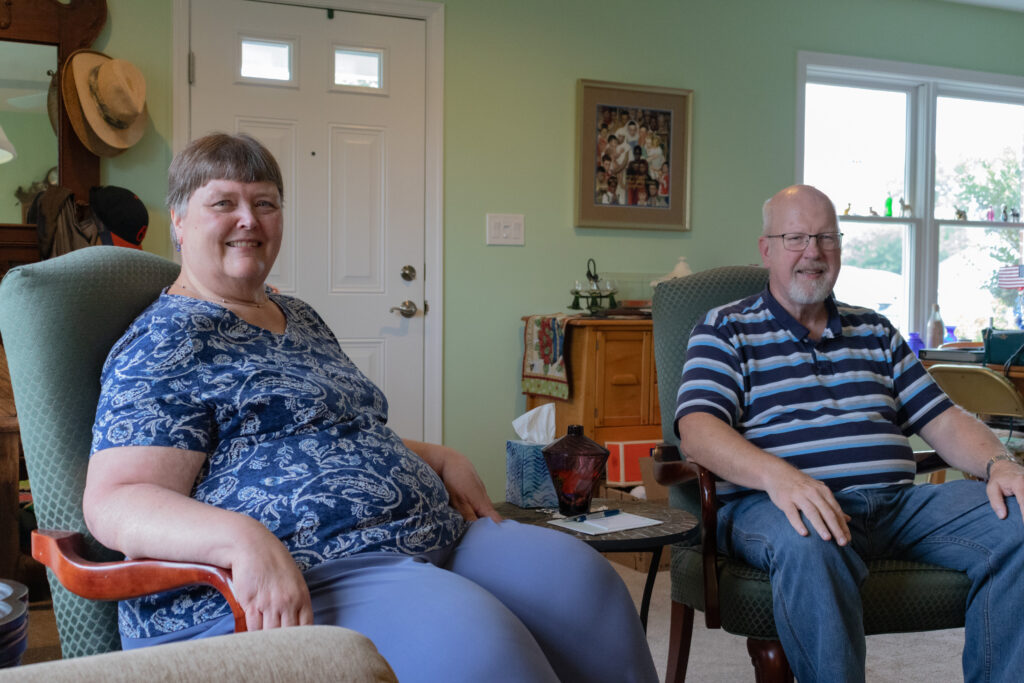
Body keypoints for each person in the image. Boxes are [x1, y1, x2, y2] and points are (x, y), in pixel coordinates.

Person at [83, 133, 658, 683]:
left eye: (265, 203)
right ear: (179, 222)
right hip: (322, 567)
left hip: (432, 533)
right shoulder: (168, 341)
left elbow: (332, 430)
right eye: (223, 203)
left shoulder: (298, 315)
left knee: (586, 583)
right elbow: (115, 500)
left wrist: (434, 455)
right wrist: (243, 539)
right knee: (477, 643)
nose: (249, 220)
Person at [674, 184, 1024, 682]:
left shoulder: (876, 331)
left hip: (897, 506)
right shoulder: (725, 329)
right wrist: (783, 479)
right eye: (795, 237)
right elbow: (698, 430)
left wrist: (1000, 464)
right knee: (810, 532)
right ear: (766, 248)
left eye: (825, 238)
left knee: (1019, 517)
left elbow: (943, 419)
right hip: (778, 505)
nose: (812, 252)